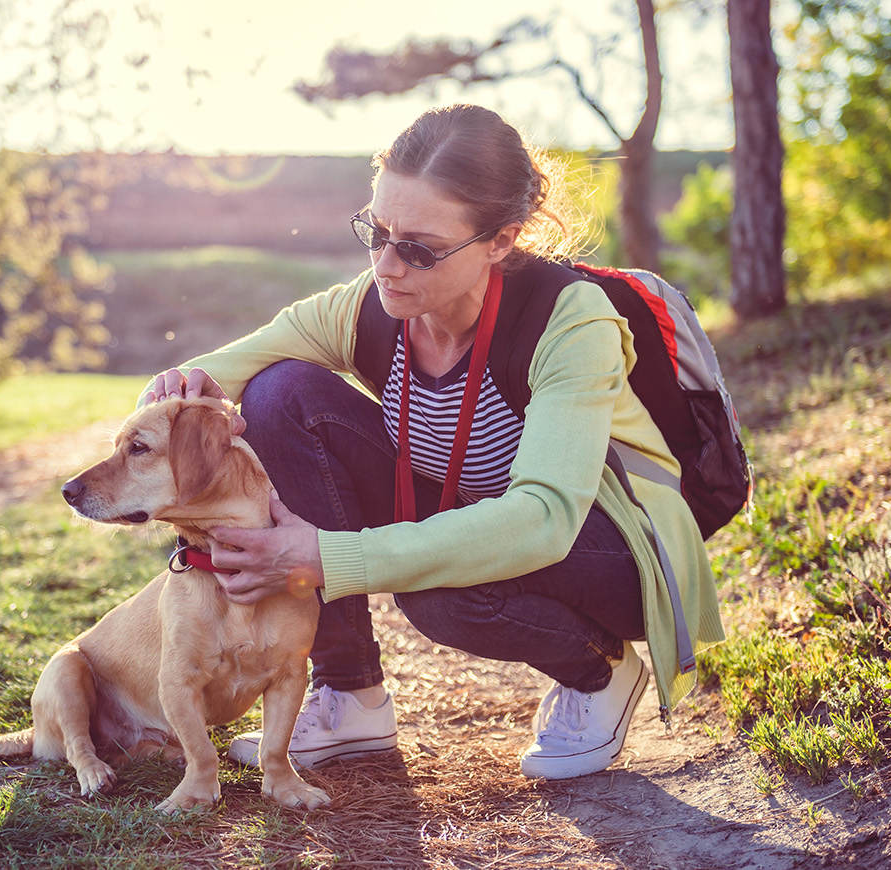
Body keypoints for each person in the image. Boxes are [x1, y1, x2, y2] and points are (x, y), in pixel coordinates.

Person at [140, 104, 725, 780]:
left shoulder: (571, 322)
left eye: (418, 247)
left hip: (607, 543)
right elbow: (226, 371)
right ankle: (350, 692)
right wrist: (170, 400)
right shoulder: (375, 305)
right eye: (376, 232)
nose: (388, 266)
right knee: (280, 393)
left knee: (439, 593)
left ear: (501, 240)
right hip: (480, 511)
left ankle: (599, 669)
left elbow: (542, 521)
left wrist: (328, 556)